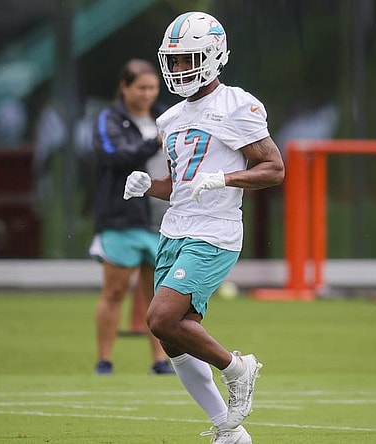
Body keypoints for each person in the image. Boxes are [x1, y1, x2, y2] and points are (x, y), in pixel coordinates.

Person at [123, 11, 285, 444]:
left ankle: (239, 368)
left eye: (188, 59)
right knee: (172, 337)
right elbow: (181, 185)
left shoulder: (237, 104)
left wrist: (228, 178)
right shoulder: (170, 118)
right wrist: (148, 186)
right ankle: (229, 433)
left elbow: (274, 168)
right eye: (172, 61)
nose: (179, 69)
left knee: (159, 316)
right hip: (176, 229)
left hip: (214, 232)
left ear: (214, 56)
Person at [89, 59, 173, 376]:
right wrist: (153, 143)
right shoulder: (110, 119)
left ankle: (161, 360)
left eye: (152, 87)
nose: (148, 94)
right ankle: (104, 360)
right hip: (122, 219)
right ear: (124, 87)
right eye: (141, 87)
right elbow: (114, 155)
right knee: (114, 292)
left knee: (159, 297)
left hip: (163, 220)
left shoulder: (165, 116)